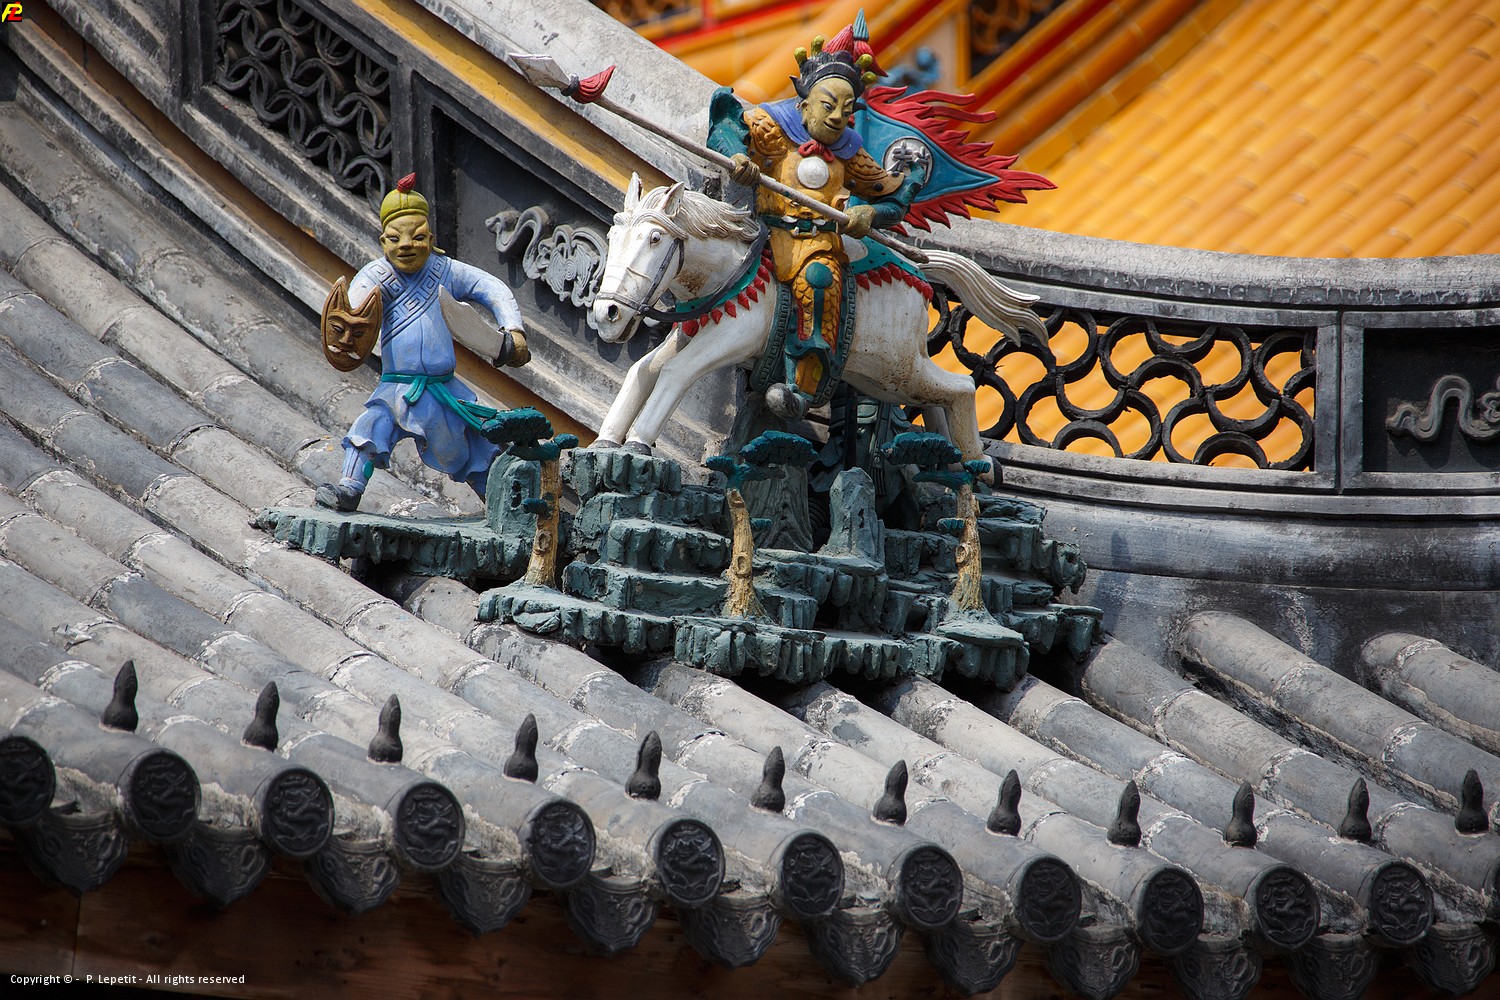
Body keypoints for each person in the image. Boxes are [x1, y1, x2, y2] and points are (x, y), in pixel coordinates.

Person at [708, 13, 927, 421]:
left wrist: (870, 213)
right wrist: (737, 157)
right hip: (762, 235)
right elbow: (726, 125)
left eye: (846, 109)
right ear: (804, 102)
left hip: (817, 245)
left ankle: (802, 387)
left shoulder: (850, 152)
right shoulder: (773, 126)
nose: (837, 116)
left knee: (820, 280)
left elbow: (893, 197)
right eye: (828, 105)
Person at [316, 173, 530, 512]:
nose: (406, 245)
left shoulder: (446, 271)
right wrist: (346, 331)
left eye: (416, 237)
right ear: (382, 241)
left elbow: (491, 288)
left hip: (442, 390)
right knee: (369, 428)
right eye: (395, 238)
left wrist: (513, 330)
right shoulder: (376, 276)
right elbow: (354, 311)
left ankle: (500, 503)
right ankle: (349, 489)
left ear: (430, 238)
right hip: (395, 388)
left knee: (468, 450)